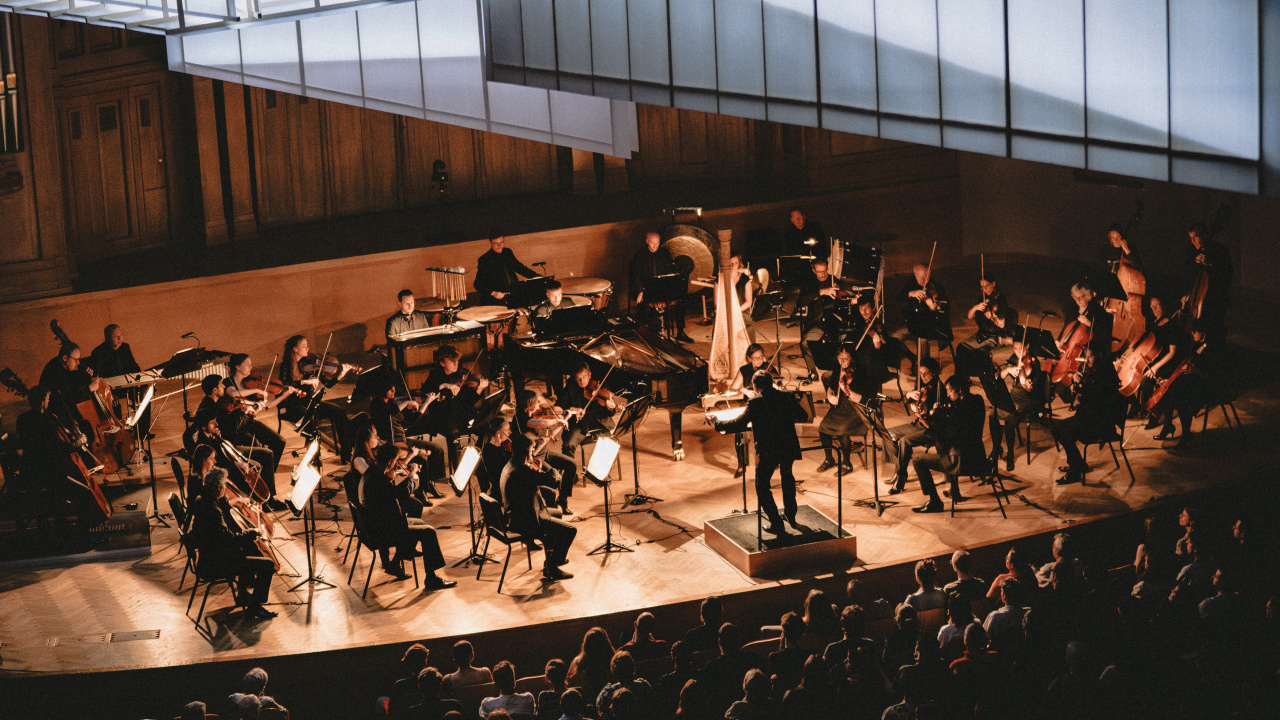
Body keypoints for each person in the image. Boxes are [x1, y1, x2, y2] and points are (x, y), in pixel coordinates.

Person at [720, 370, 807, 535]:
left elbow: (738, 423)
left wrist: (717, 423)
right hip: (788, 446)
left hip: (769, 450)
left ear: (755, 386)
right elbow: (803, 415)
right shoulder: (787, 397)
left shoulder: (755, 402)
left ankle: (777, 523)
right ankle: (790, 515)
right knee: (787, 477)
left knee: (762, 486)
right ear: (771, 382)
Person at [359, 443, 456, 589]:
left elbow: (390, 492)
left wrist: (399, 477)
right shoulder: (377, 480)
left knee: (418, 522)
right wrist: (412, 477)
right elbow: (400, 493)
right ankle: (431, 579)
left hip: (375, 525)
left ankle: (396, 561)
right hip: (381, 531)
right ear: (391, 461)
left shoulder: (372, 472)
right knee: (429, 532)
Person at [188, 468, 277, 619]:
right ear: (218, 488)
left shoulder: (202, 500)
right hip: (216, 565)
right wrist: (250, 532)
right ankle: (255, 608)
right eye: (223, 486)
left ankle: (243, 595)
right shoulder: (213, 510)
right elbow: (228, 538)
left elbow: (221, 535)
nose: (225, 489)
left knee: (248, 549)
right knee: (267, 564)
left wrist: (223, 502)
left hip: (206, 557)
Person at [15, 384, 102, 522]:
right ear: (43, 403)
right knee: (85, 492)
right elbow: (61, 450)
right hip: (49, 475)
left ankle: (60, 521)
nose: (49, 402)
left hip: (29, 473)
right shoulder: (47, 422)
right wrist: (79, 442)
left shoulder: (22, 420)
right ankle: (82, 536)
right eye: (48, 400)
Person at [502, 433, 577, 581]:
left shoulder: (510, 465)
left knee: (557, 514)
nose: (532, 453)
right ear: (525, 452)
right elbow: (555, 481)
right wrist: (547, 469)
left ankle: (551, 560)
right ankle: (553, 566)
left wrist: (535, 471)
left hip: (519, 514)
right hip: (527, 522)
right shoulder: (523, 471)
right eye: (531, 450)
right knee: (570, 530)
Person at [910, 375, 988, 513]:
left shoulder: (956, 412)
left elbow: (943, 440)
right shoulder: (978, 401)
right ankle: (954, 490)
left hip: (962, 462)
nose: (947, 395)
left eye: (949, 391)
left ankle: (935, 501)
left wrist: (929, 421)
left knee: (918, 460)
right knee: (946, 451)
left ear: (959, 390)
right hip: (980, 458)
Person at [1052, 344, 1126, 485]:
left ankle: (1075, 472)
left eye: (1090, 356)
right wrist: (1077, 384)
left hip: (1101, 424)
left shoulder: (1102, 374)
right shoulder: (1101, 369)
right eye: (1086, 356)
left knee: (1064, 433)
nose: (1088, 360)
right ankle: (1079, 464)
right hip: (1092, 416)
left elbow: (1088, 400)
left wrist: (1078, 387)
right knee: (1057, 428)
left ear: (1100, 354)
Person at [278, 335, 355, 463]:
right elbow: (285, 385)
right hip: (294, 406)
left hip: (311, 402)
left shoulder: (312, 364)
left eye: (307, 345)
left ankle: (346, 455)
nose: (308, 348)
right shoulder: (285, 366)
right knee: (310, 420)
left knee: (340, 412)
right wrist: (305, 382)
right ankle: (313, 457)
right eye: (304, 346)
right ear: (295, 349)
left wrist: (341, 375)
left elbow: (328, 384)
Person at [367, 376, 446, 499]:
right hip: (392, 444)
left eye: (394, 390)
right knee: (421, 459)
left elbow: (412, 420)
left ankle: (430, 484)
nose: (394, 393)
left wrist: (426, 403)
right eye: (391, 390)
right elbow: (388, 413)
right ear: (383, 390)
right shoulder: (377, 405)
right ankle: (420, 492)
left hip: (403, 441)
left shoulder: (394, 404)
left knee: (437, 448)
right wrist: (407, 402)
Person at [1150, 322, 1226, 448]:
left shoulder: (1213, 350)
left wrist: (1196, 371)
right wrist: (1170, 380)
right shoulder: (1197, 345)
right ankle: (1168, 426)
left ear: (1203, 333)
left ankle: (1186, 436)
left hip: (1209, 386)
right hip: (1195, 383)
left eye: (1195, 332)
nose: (1192, 334)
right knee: (1170, 392)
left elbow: (1214, 376)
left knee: (1182, 400)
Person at [223, 353, 292, 471]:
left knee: (279, 441)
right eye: (247, 364)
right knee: (256, 446)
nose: (251, 367)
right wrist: (255, 389)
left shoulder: (250, 384)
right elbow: (234, 394)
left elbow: (267, 406)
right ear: (237, 367)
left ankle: (269, 472)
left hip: (249, 422)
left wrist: (284, 395)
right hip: (237, 425)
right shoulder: (228, 382)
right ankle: (256, 471)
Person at [514, 390, 579, 514]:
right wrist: (557, 421)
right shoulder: (521, 418)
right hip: (534, 458)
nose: (539, 402)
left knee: (571, 464)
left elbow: (545, 431)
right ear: (529, 404)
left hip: (545, 452)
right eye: (536, 401)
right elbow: (538, 424)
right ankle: (551, 510)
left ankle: (563, 500)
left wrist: (560, 424)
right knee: (554, 478)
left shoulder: (535, 415)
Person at [987, 344, 1048, 471]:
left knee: (1010, 416)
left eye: (1021, 349)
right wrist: (1008, 370)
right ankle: (996, 448)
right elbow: (998, 376)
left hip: (1029, 400)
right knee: (993, 414)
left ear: (1027, 346)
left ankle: (1010, 453)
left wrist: (1026, 383)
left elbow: (1033, 389)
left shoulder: (1034, 363)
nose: (1018, 352)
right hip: (1014, 397)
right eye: (1015, 349)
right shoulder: (1013, 359)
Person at [420, 344, 490, 452]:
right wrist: (445, 385)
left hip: (460, 414)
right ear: (442, 363)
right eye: (451, 361)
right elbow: (426, 390)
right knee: (454, 432)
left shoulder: (461, 375)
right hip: (443, 418)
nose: (455, 364)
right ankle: (456, 462)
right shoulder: (435, 375)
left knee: (486, 426)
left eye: (457, 360)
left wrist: (480, 388)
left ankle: (479, 454)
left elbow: (470, 401)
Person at [887, 358, 941, 495]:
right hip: (918, 424)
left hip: (930, 429)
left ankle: (901, 478)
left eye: (925, 373)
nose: (922, 377)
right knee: (888, 434)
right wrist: (909, 394)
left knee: (904, 441)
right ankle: (899, 469)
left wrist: (923, 415)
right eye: (920, 373)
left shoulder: (940, 390)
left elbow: (937, 420)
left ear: (933, 373)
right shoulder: (922, 385)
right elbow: (905, 400)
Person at [629, 231, 692, 343]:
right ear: (647, 241)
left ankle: (681, 332)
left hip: (662, 288)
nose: (655, 246)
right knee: (641, 303)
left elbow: (669, 271)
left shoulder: (664, 253)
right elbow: (636, 276)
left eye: (657, 243)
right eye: (652, 243)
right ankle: (643, 334)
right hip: (646, 289)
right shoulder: (640, 255)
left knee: (680, 299)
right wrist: (640, 290)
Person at [818, 346, 874, 473]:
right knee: (822, 428)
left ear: (851, 359)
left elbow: (860, 399)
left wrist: (846, 391)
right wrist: (830, 396)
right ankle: (829, 459)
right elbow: (831, 388)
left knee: (842, 430)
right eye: (840, 358)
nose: (842, 362)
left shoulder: (860, 373)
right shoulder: (837, 370)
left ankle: (847, 463)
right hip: (841, 407)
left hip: (856, 409)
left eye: (846, 359)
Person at [88, 324, 150, 437]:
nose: (120, 339)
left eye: (121, 336)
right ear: (107, 338)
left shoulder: (125, 347)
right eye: (116, 336)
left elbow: (134, 367)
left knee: (145, 394)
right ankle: (120, 433)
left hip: (125, 385)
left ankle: (142, 433)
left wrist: (142, 379)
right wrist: (110, 394)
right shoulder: (98, 352)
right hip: (109, 390)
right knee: (114, 405)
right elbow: (98, 378)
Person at [955, 275, 1017, 379]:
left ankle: (984, 376)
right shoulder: (982, 299)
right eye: (982, 287)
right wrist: (975, 307)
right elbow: (969, 316)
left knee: (979, 353)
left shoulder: (1001, 299)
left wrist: (992, 317)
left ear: (993, 284)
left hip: (994, 337)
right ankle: (961, 378)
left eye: (987, 286)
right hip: (981, 334)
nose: (985, 289)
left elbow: (1002, 324)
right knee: (961, 347)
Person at [1183, 222, 1232, 344]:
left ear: (1204, 235)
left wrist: (1210, 263)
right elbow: (1188, 276)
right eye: (1191, 238)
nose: (1193, 241)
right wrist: (1186, 295)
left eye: (1195, 237)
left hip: (1213, 300)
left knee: (1212, 333)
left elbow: (1228, 275)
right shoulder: (1192, 251)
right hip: (1196, 299)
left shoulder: (1221, 250)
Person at [894, 264, 952, 366]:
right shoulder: (911, 283)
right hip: (912, 324)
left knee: (922, 338)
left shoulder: (937, 287)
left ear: (929, 274)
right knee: (894, 339)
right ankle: (914, 359)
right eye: (919, 276)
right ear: (915, 275)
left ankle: (923, 368)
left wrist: (932, 305)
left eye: (925, 276)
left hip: (930, 326)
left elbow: (943, 311)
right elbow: (898, 297)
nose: (923, 279)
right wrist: (910, 293)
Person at [796, 259, 844, 381]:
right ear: (813, 271)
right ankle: (812, 371)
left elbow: (845, 297)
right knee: (805, 342)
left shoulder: (834, 280)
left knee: (843, 343)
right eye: (820, 272)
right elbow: (801, 301)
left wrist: (850, 297)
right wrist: (822, 292)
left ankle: (840, 371)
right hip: (817, 323)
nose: (823, 274)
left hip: (835, 322)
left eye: (825, 270)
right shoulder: (808, 284)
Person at [557, 362, 617, 459]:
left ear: (589, 375)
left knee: (610, 444)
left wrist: (610, 407)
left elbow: (611, 413)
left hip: (600, 424)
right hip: (580, 425)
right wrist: (573, 410)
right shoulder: (570, 386)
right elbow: (560, 405)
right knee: (568, 445)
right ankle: (571, 473)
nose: (582, 381)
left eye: (584, 377)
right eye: (578, 378)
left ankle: (599, 474)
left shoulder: (600, 386)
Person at [39, 342, 101, 429]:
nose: (78, 363)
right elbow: (68, 399)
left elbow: (73, 381)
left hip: (66, 406)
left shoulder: (63, 364)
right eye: (75, 360)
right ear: (65, 358)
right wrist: (89, 389)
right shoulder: (54, 371)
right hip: (57, 411)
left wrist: (86, 373)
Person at [475, 231, 539, 301]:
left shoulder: (507, 252)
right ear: (490, 243)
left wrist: (538, 277)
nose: (500, 246)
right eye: (496, 243)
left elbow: (520, 268)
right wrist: (493, 293)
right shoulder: (485, 259)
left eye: (501, 242)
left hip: (514, 294)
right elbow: (478, 284)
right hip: (498, 299)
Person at [713, 252, 756, 342]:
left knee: (744, 320)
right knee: (721, 324)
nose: (732, 266)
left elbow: (748, 302)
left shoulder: (745, 279)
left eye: (735, 263)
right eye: (730, 263)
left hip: (741, 312)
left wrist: (736, 311)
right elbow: (716, 303)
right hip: (724, 312)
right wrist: (727, 312)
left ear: (739, 264)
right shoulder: (719, 279)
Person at [782, 207, 828, 283]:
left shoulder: (815, 228)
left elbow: (823, 246)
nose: (798, 220)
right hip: (801, 267)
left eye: (800, 217)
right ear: (791, 220)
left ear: (804, 216)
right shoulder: (789, 233)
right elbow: (791, 252)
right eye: (795, 218)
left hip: (818, 263)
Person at [476, 417, 512, 498]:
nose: (510, 432)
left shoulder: (500, 446)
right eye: (507, 430)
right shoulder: (490, 451)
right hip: (502, 489)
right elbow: (499, 475)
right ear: (498, 433)